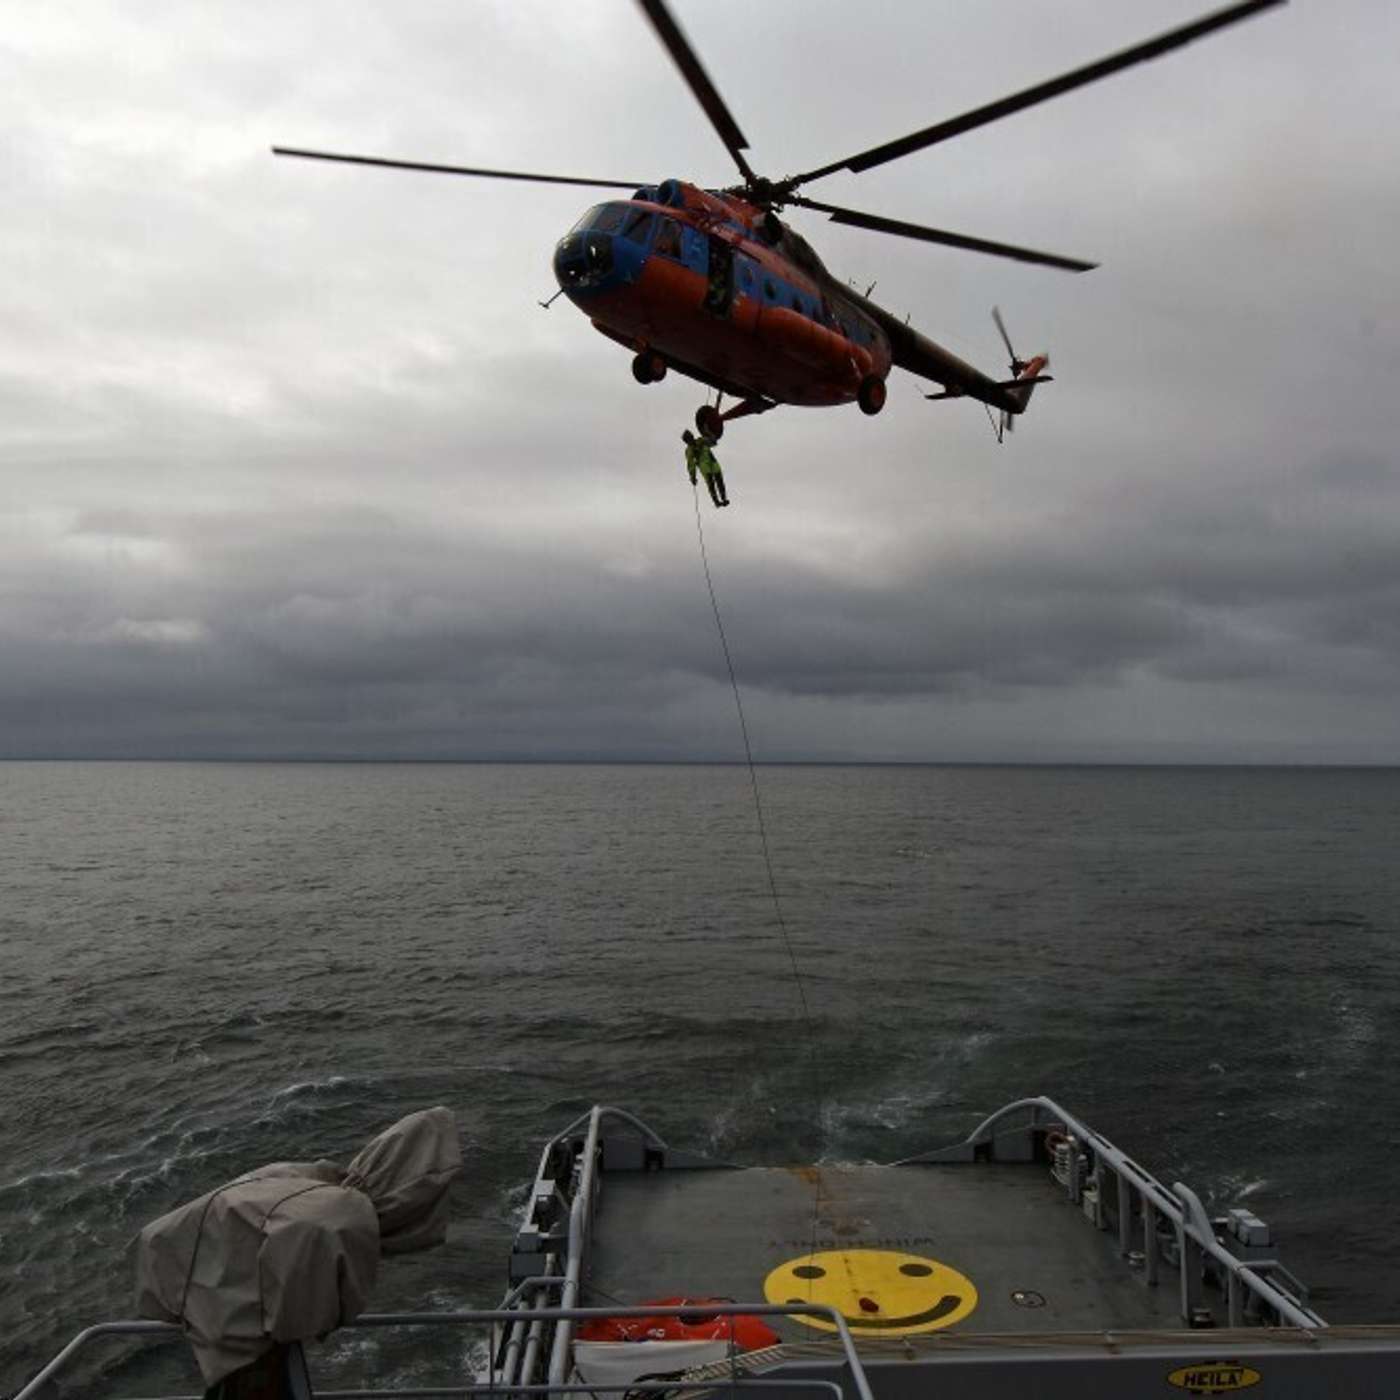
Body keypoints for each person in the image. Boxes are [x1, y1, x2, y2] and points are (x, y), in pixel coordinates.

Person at [682, 429, 729, 508]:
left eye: (690, 437)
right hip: (703, 465)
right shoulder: (689, 450)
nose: (690, 440)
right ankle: (716, 501)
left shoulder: (701, 440)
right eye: (688, 439)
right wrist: (693, 477)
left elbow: (713, 442)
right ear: (687, 441)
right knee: (711, 482)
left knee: (719, 479)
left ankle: (723, 498)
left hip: (712, 461)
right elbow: (691, 464)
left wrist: (708, 433)